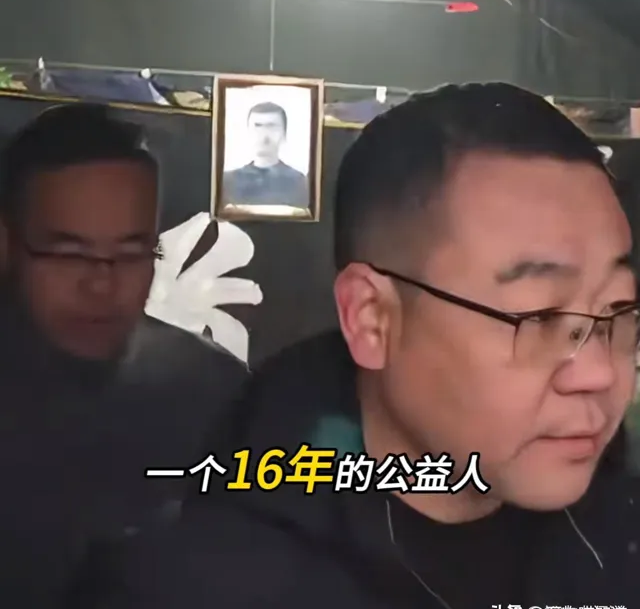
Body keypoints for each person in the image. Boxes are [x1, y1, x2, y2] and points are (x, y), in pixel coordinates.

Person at [108, 83, 640, 608]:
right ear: (372, 319)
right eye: (540, 317)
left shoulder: (616, 536)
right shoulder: (194, 585)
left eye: (618, 309)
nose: (599, 373)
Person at [0, 104, 248, 608]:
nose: (101, 283)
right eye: (69, 253)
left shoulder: (217, 390)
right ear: (6, 245)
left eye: (132, 253)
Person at [222, 101, 309, 208]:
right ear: (247, 132)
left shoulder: (300, 183)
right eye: (257, 126)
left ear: (284, 134)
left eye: (271, 127)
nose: (264, 135)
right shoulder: (227, 181)